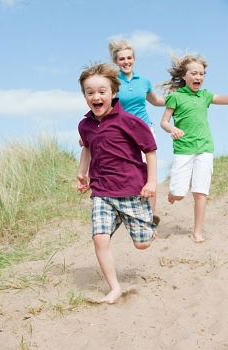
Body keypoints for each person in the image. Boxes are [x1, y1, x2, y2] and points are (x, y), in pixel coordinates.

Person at [77, 63, 157, 304]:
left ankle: (147, 225)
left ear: (113, 93)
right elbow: (87, 148)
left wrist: (152, 181)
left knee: (142, 244)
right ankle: (114, 288)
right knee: (100, 238)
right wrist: (82, 173)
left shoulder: (129, 121)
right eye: (89, 92)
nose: (96, 96)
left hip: (131, 188)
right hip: (102, 190)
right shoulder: (85, 125)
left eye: (102, 91)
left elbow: (150, 150)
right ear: (85, 96)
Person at [160, 53, 228, 243]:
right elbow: (164, 122)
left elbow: (224, 99)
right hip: (183, 149)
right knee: (180, 194)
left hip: (205, 147)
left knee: (200, 191)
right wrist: (172, 129)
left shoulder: (205, 95)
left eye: (202, 74)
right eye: (194, 73)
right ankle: (173, 194)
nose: (198, 77)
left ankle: (197, 231)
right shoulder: (176, 96)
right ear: (184, 76)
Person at [108, 39, 165, 226]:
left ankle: (150, 217)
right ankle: (128, 213)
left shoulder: (144, 81)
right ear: (116, 61)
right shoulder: (112, 81)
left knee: (149, 171)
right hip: (122, 132)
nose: (126, 61)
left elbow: (155, 101)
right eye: (122, 59)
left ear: (134, 59)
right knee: (129, 172)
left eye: (129, 58)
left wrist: (178, 98)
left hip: (145, 129)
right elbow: (105, 106)